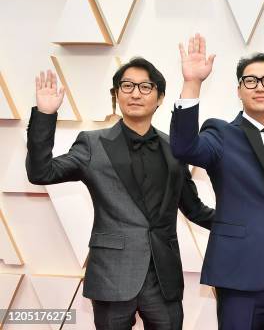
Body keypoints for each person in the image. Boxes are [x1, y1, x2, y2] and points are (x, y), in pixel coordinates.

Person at [26, 58, 215, 329]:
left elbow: (194, 208)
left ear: (160, 97)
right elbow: (41, 173)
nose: (135, 93)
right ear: (116, 94)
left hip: (163, 277)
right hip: (112, 275)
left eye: (145, 87)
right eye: (127, 86)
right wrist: (45, 116)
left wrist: (242, 222)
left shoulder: (175, 149)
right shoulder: (92, 144)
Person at [170, 34, 264, 329]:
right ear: (239, 90)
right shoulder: (220, 134)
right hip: (240, 272)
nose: (259, 87)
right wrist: (193, 83)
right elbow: (184, 147)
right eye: (250, 81)